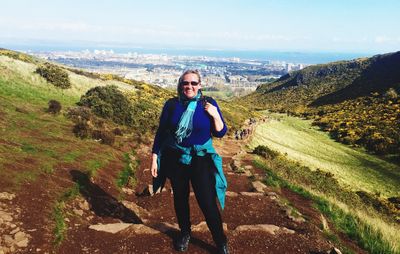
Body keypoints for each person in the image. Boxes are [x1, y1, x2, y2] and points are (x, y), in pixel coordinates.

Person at [150, 69, 229, 253]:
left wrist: (216, 114)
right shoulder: (171, 105)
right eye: (186, 83)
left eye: (194, 83)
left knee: (207, 202)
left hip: (200, 158)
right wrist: (154, 157)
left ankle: (220, 241)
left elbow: (220, 132)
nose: (189, 86)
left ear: (200, 85)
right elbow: (161, 132)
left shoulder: (207, 103)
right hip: (176, 158)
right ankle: (185, 233)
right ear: (180, 85)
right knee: (180, 198)